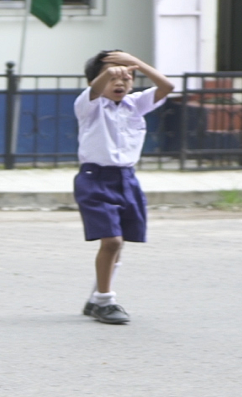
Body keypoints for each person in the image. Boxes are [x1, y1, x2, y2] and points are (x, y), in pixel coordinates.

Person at [73, 50, 174, 324]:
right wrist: (108, 72)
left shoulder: (135, 104)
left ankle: (96, 297)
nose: (120, 80)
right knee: (111, 240)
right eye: (112, 75)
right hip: (95, 179)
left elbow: (167, 87)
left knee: (119, 244)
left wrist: (136, 63)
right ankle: (106, 301)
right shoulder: (89, 105)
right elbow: (94, 89)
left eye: (126, 76)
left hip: (126, 178)